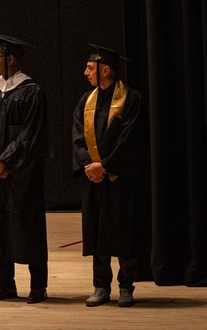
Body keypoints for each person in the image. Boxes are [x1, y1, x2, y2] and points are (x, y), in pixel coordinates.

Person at [71, 44, 149, 308]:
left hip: (120, 178)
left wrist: (105, 166)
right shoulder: (86, 101)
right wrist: (89, 167)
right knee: (97, 233)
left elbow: (129, 140)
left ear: (106, 70)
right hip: (94, 179)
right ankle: (101, 286)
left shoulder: (132, 99)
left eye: (90, 68)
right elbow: (78, 139)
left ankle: (126, 286)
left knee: (124, 233)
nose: (85, 73)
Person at [0, 34, 49, 304]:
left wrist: (4, 161)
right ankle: (5, 284)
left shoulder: (31, 92)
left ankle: (38, 285)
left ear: (11, 59)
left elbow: (29, 136)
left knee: (27, 227)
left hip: (22, 174)